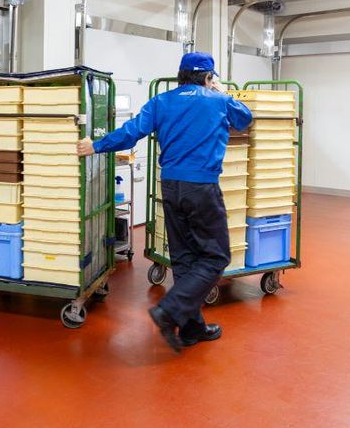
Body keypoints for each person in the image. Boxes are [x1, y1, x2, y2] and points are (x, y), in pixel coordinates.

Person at [77, 52, 252, 352]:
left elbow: (131, 133)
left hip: (170, 186)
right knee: (215, 257)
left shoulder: (161, 102)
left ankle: (191, 328)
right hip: (202, 187)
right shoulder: (219, 101)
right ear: (208, 77)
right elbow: (245, 119)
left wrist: (96, 145)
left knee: (184, 257)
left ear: (180, 76)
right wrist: (222, 91)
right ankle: (169, 310)